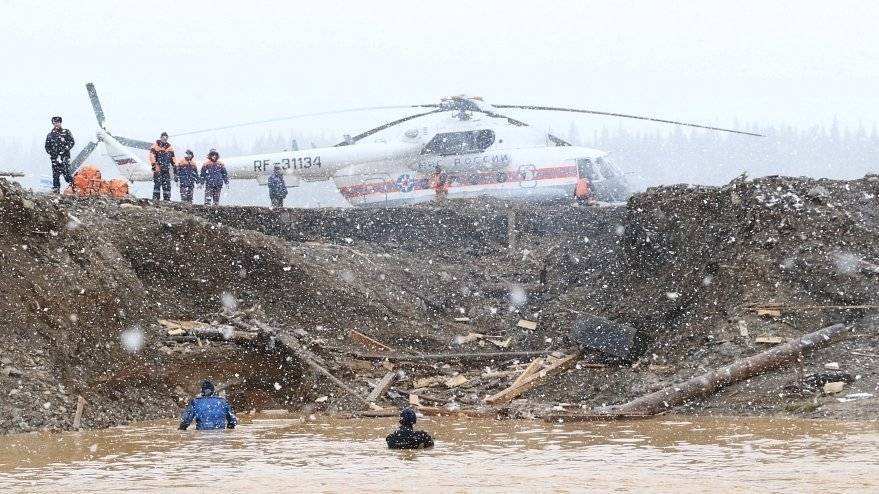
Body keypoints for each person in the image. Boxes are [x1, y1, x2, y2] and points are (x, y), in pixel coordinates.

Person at [44, 116, 75, 193]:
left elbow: (71, 142)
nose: (56, 124)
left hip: (64, 157)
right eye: (54, 123)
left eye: (57, 122)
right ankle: (56, 188)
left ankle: (73, 186)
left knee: (66, 173)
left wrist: (65, 149)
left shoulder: (66, 132)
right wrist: (51, 153)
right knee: (55, 174)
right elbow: (47, 146)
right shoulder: (50, 135)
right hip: (55, 158)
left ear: (60, 123)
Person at [149, 132, 176, 201]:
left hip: (166, 168)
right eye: (163, 137)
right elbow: (152, 156)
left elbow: (173, 158)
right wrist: (153, 164)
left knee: (167, 185)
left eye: (166, 137)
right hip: (158, 168)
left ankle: (167, 199)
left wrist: (175, 166)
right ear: (161, 137)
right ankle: (156, 199)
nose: (164, 139)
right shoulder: (155, 146)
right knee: (157, 184)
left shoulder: (170, 148)